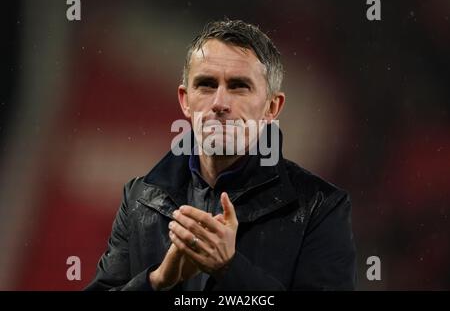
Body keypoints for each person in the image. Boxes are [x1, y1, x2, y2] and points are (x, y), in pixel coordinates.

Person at [85, 19, 356, 291]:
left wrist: (230, 269)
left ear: (272, 107)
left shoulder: (320, 207)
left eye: (239, 86)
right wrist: (155, 282)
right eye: (206, 84)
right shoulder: (140, 199)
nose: (219, 103)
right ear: (185, 101)